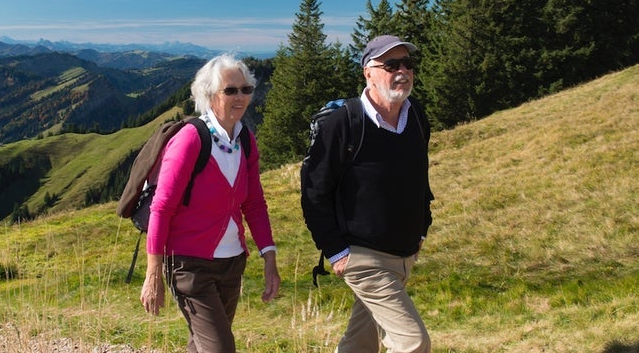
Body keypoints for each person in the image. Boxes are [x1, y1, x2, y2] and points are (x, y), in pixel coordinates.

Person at [300, 35, 435, 353]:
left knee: (359, 344)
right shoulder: (344, 123)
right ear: (368, 72)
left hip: (403, 253)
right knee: (413, 343)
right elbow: (314, 192)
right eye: (391, 64)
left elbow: (419, 177)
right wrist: (335, 251)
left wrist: (421, 231)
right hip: (362, 256)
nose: (402, 71)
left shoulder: (415, 117)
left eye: (407, 64)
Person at [140, 54, 281, 353]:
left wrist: (269, 256)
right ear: (209, 96)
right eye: (230, 90)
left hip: (232, 263)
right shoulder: (191, 139)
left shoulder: (246, 141)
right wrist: (153, 272)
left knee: (203, 344)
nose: (240, 97)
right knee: (220, 348)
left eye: (246, 89)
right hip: (189, 265)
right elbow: (161, 207)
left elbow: (254, 203)